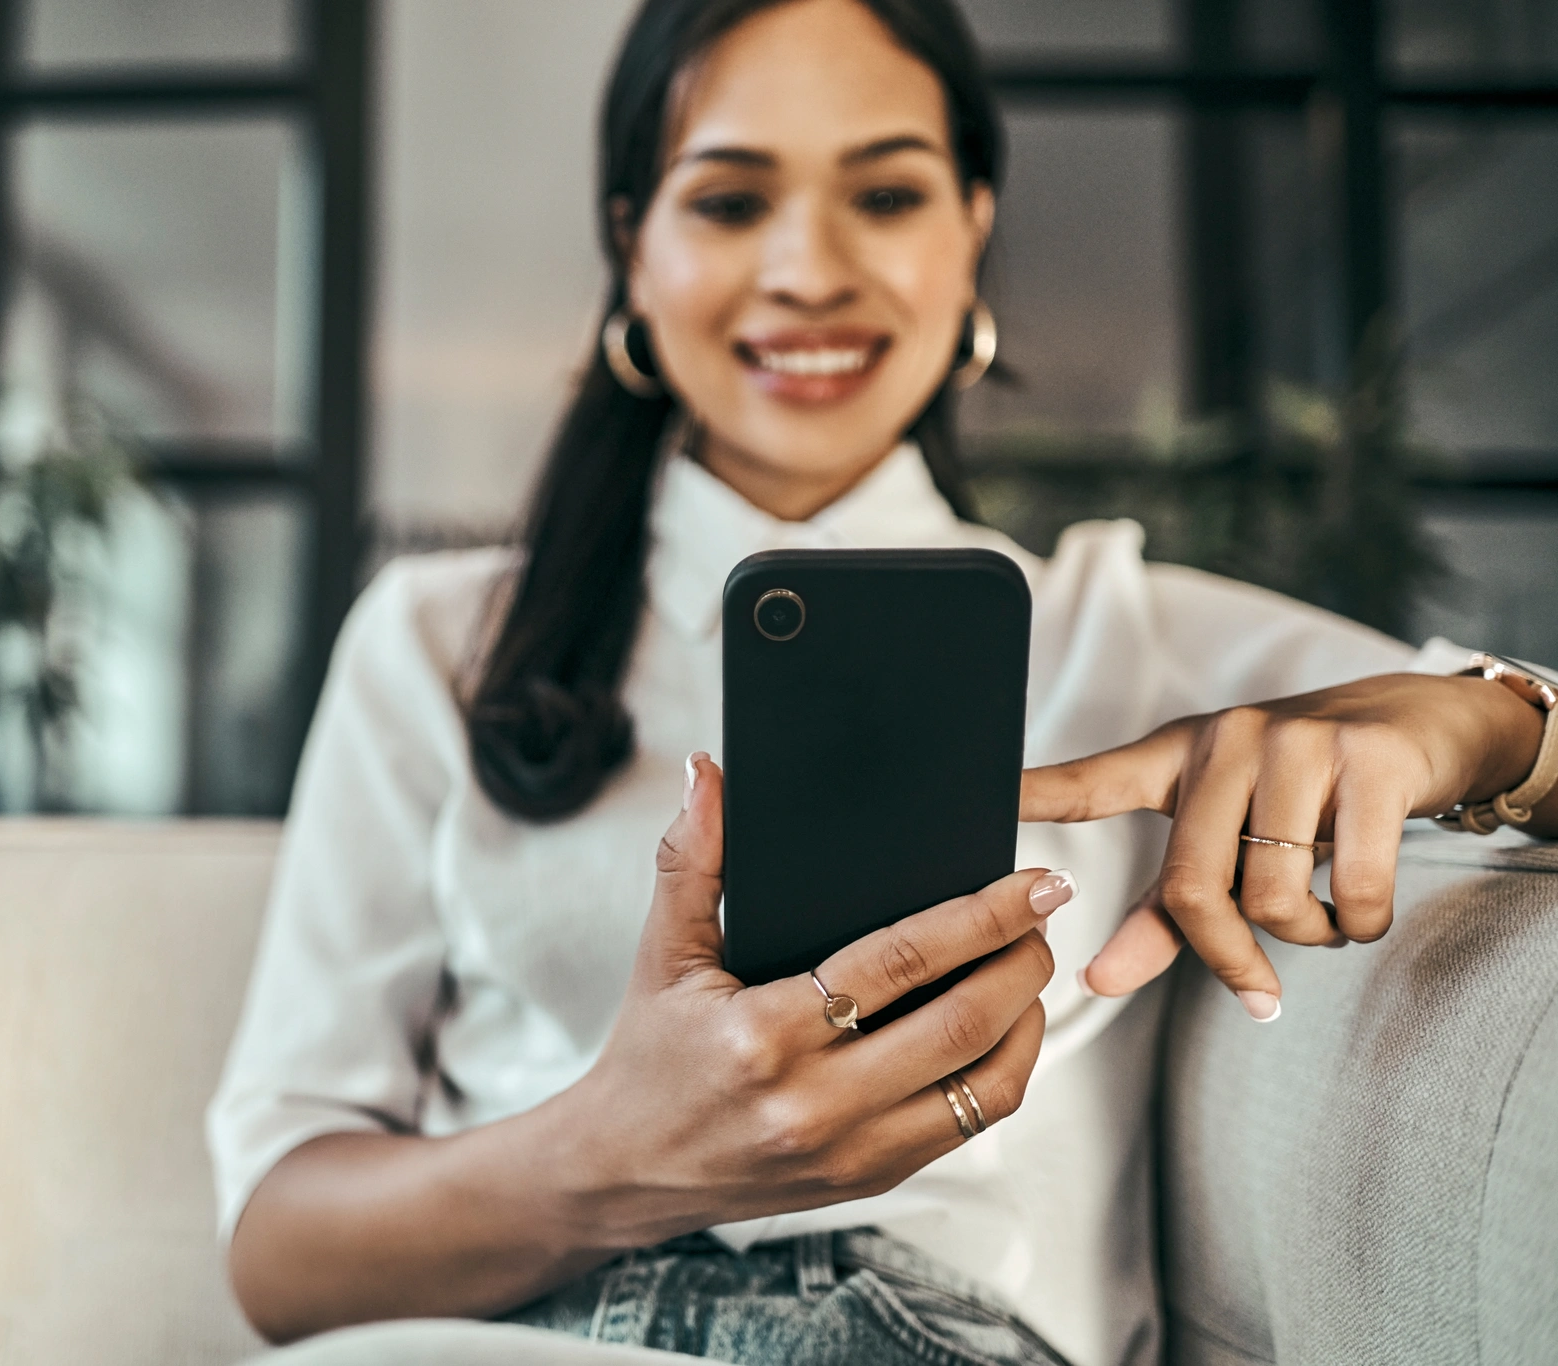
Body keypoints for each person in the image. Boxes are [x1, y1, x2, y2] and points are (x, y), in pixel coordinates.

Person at [207, 1, 1558, 1362]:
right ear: (635, 246)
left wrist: (1484, 720)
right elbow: (278, 1250)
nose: (809, 268)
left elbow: (1513, 741)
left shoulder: (1121, 630)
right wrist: (609, 1152)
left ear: (972, 228)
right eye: (731, 200)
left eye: (888, 192)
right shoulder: (439, 642)